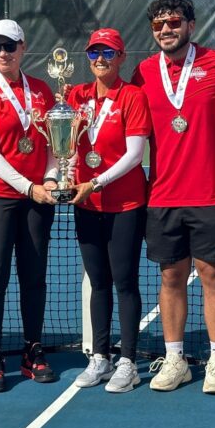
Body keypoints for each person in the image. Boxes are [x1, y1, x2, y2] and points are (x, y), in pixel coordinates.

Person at [131, 0, 215, 394]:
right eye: (159, 24)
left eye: (174, 22)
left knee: (214, 276)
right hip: (162, 195)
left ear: (191, 25)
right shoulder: (143, 72)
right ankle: (176, 358)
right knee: (170, 277)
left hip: (212, 193)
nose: (167, 29)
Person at [0, 18, 59, 392]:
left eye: (9, 46)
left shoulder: (42, 91)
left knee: (34, 276)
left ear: (23, 47)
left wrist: (51, 178)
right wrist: (29, 187)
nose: (2, 53)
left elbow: (56, 145)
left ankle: (31, 350)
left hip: (38, 197)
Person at [67, 28, 151, 393]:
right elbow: (66, 145)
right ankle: (100, 356)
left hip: (125, 204)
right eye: (93, 53)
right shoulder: (75, 96)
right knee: (97, 283)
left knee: (124, 282)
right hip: (86, 204)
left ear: (121, 57)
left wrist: (96, 182)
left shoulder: (132, 96)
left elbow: (134, 155)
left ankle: (129, 361)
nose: (99, 60)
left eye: (107, 53)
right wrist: (64, 175)